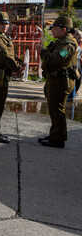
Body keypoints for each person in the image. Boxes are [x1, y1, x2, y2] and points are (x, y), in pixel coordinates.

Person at [36, 16, 79, 148]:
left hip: (62, 81)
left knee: (58, 109)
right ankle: (55, 133)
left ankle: (58, 138)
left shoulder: (68, 44)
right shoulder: (61, 41)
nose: (52, 31)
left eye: (55, 28)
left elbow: (54, 59)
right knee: (54, 108)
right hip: (56, 79)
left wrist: (42, 50)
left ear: (64, 29)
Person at [0, 12, 24, 144]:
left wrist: (19, 62)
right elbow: (4, 56)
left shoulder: (2, 37)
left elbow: (10, 55)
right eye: (1, 23)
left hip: (2, 75)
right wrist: (16, 67)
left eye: (6, 23)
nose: (5, 26)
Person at [67, 30, 82, 101]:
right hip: (75, 64)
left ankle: (72, 95)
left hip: (75, 65)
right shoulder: (75, 45)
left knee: (75, 79)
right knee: (75, 79)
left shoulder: (76, 45)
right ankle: (72, 95)